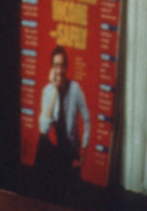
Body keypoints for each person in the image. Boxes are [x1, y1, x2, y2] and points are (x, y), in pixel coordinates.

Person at [33, 45, 90, 196]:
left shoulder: (75, 89)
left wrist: (82, 154)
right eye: (56, 66)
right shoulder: (47, 91)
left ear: (67, 67)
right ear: (52, 68)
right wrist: (55, 90)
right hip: (55, 152)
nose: (59, 70)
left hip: (71, 152)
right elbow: (43, 128)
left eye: (62, 65)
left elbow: (87, 120)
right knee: (42, 141)